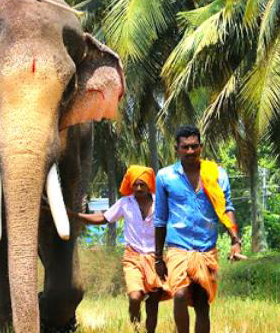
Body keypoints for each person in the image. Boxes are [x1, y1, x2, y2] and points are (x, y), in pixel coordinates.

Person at [154, 125, 246, 333]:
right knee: (178, 294)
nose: (190, 151)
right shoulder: (165, 177)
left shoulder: (216, 174)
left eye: (194, 146)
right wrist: (158, 258)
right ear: (176, 148)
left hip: (206, 248)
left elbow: (226, 208)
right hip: (178, 247)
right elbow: (160, 219)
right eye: (185, 147)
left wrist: (235, 241)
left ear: (201, 147)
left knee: (202, 304)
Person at [72, 165, 169, 333]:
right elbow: (103, 218)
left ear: (149, 185)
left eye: (142, 184)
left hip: (156, 258)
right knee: (135, 297)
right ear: (130, 185)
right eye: (135, 184)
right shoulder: (125, 203)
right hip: (133, 257)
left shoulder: (160, 203)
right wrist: (74, 215)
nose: (138, 188)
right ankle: (136, 328)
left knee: (153, 304)